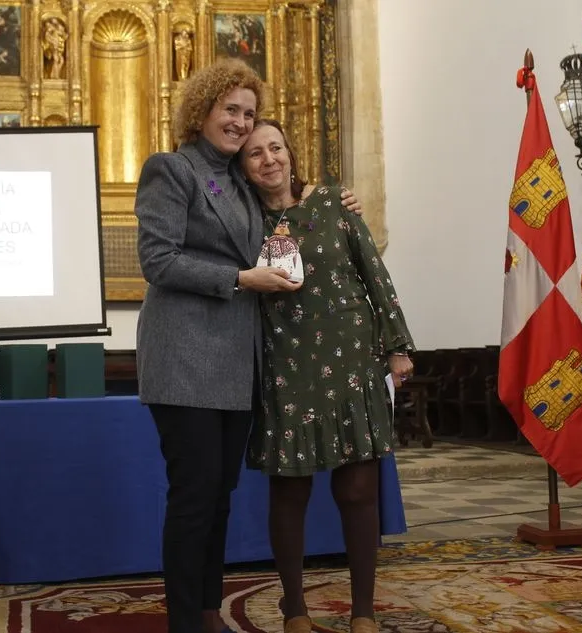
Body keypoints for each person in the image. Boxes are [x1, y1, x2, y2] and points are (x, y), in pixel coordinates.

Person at [134, 60, 360, 633]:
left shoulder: (239, 180)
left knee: (219, 497)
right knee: (194, 497)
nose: (240, 122)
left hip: (237, 365)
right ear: (201, 110)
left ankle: (208, 610)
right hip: (184, 361)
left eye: (249, 113)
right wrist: (239, 279)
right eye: (230, 110)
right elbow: (157, 261)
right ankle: (186, 622)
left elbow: (288, 208)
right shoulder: (172, 169)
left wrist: (334, 201)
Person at [240, 120, 415, 633]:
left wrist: (397, 346)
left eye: (276, 147)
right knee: (289, 494)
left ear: (291, 153)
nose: (269, 159)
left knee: (358, 491)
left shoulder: (336, 202)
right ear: (243, 168)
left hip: (352, 362)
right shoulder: (242, 219)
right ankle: (294, 609)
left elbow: (374, 273)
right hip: (285, 365)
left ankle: (363, 611)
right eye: (255, 153)